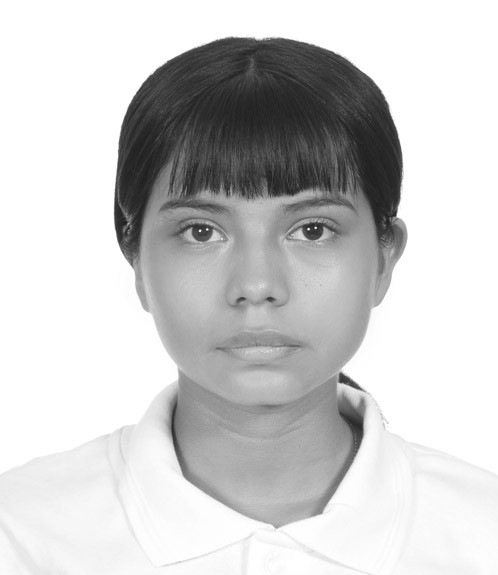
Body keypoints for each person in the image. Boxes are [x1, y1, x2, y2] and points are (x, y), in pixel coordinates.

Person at [1, 37, 497, 574]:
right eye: (201, 231)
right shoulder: (21, 535)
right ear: (136, 262)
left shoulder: (482, 535)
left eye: (313, 230)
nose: (257, 285)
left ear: (384, 259)